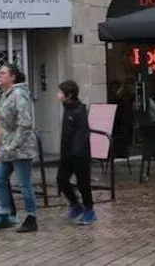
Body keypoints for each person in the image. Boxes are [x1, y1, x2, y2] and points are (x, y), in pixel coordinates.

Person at [0, 63, 39, 233]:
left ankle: (31, 217)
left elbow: (25, 122)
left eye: (3, 73)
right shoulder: (5, 95)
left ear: (13, 77)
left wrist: (14, 144)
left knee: (24, 185)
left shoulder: (18, 95)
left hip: (20, 149)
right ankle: (6, 213)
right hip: (6, 148)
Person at [56, 80, 95, 225]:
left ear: (69, 95)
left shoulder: (79, 111)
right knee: (61, 180)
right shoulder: (67, 108)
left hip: (79, 155)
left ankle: (89, 210)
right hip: (67, 153)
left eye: (61, 92)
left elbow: (81, 134)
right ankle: (75, 205)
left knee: (83, 183)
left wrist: (77, 152)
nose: (58, 95)